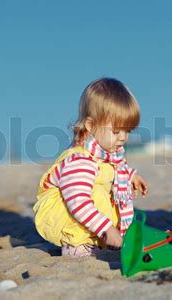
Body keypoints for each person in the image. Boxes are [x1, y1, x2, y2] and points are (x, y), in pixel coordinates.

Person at [33, 78, 149, 257]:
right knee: (95, 194)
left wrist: (130, 175)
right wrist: (107, 229)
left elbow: (112, 168)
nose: (123, 138)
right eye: (117, 131)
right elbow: (78, 202)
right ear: (91, 125)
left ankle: (99, 239)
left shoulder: (107, 153)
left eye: (128, 131)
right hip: (65, 212)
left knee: (105, 195)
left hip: (82, 207)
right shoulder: (80, 160)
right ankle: (76, 245)